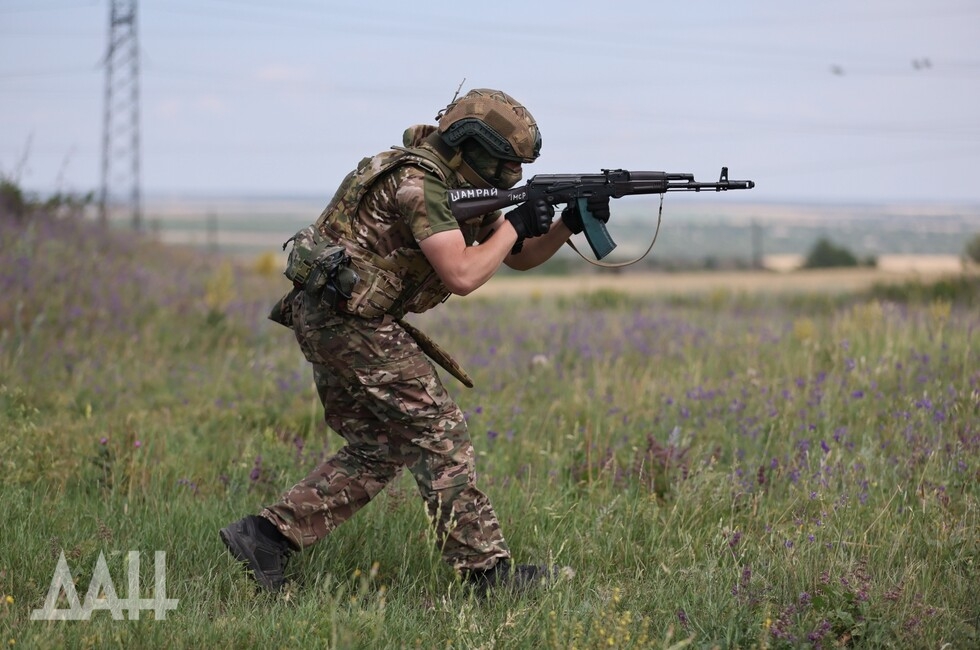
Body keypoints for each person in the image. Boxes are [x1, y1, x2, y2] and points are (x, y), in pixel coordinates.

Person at [219, 88, 610, 595]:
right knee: (439, 431)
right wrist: (515, 223)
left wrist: (565, 224)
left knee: (377, 447)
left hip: (334, 317)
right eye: (504, 163)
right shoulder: (418, 184)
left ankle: (265, 537)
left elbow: (514, 256)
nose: (512, 175)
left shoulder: (456, 181)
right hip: (350, 323)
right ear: (470, 147)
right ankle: (486, 574)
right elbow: (462, 274)